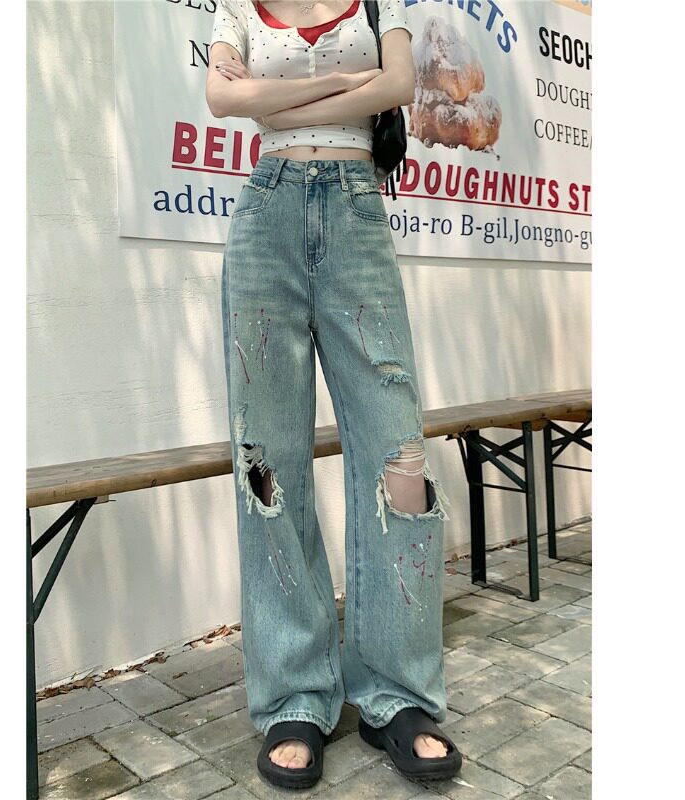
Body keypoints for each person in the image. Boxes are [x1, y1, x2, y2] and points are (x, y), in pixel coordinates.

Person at [206, 1, 462, 789]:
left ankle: (397, 691)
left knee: (398, 455)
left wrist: (271, 99)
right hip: (267, 214)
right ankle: (294, 693)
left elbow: (400, 84)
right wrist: (350, 85)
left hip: (355, 213)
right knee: (267, 461)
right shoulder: (237, 7)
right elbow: (220, 98)